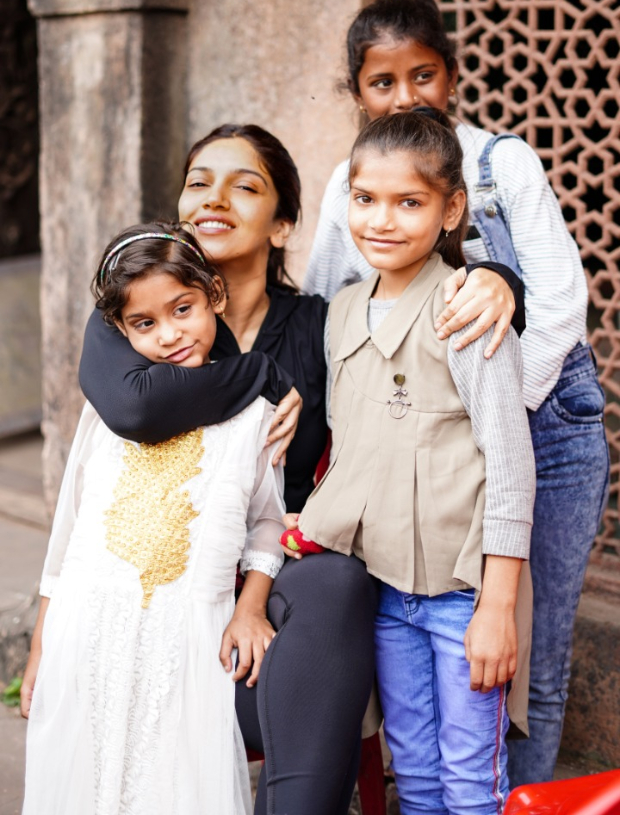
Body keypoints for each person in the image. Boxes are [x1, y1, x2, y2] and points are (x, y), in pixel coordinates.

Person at [78, 124, 523, 815]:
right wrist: (256, 378)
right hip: (164, 589)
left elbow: (401, 335)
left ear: (286, 222)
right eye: (198, 182)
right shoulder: (133, 319)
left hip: (316, 579)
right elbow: (129, 417)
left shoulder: (325, 320)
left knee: (337, 594)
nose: (214, 199)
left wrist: (500, 279)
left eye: (244, 185)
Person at [304, 0, 610, 786]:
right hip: (441, 424)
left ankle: (520, 800)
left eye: (424, 75)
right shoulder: (350, 183)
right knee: (424, 693)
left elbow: (559, 307)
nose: (406, 95)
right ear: (357, 90)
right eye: (382, 81)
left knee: (524, 659)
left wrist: (489, 407)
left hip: (539, 411)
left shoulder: (497, 161)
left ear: (452, 73)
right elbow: (331, 301)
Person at [296, 109, 536, 813]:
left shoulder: (467, 308)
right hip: (384, 594)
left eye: (410, 202)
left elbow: (512, 467)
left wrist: (496, 608)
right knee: (418, 776)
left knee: (469, 783)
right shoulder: (339, 312)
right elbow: (351, 443)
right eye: (366, 199)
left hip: (463, 598)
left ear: (450, 208)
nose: (383, 220)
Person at [21, 222, 289, 815]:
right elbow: (66, 535)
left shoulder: (255, 418)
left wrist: (249, 607)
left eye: (183, 309)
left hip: (189, 642)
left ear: (214, 296)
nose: (170, 335)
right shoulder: (106, 418)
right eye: (145, 324)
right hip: (87, 630)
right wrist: (43, 641)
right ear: (119, 329)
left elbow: (270, 523)